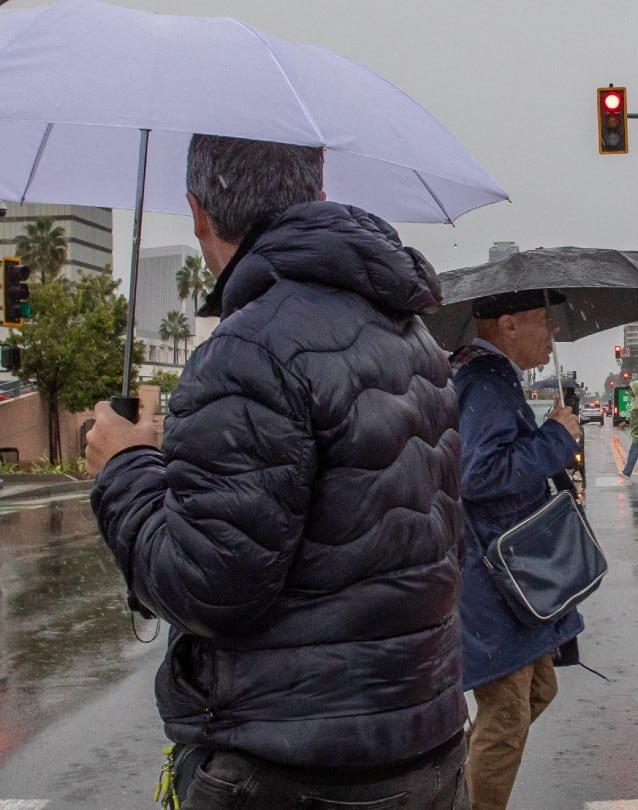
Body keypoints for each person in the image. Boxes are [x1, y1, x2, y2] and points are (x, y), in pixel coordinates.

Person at [84, 135, 468, 808]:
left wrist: (124, 467)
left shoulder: (248, 350)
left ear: (198, 213)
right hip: (423, 745)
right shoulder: (412, 336)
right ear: (317, 196)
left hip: (292, 768)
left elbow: (207, 584)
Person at [449, 290, 583, 810]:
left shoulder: (491, 379)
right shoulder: (484, 383)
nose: (551, 335)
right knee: (506, 715)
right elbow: (478, 474)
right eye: (543, 323)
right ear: (507, 325)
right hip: (491, 574)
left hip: (506, 574)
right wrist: (554, 437)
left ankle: (451, 786)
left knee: (536, 692)